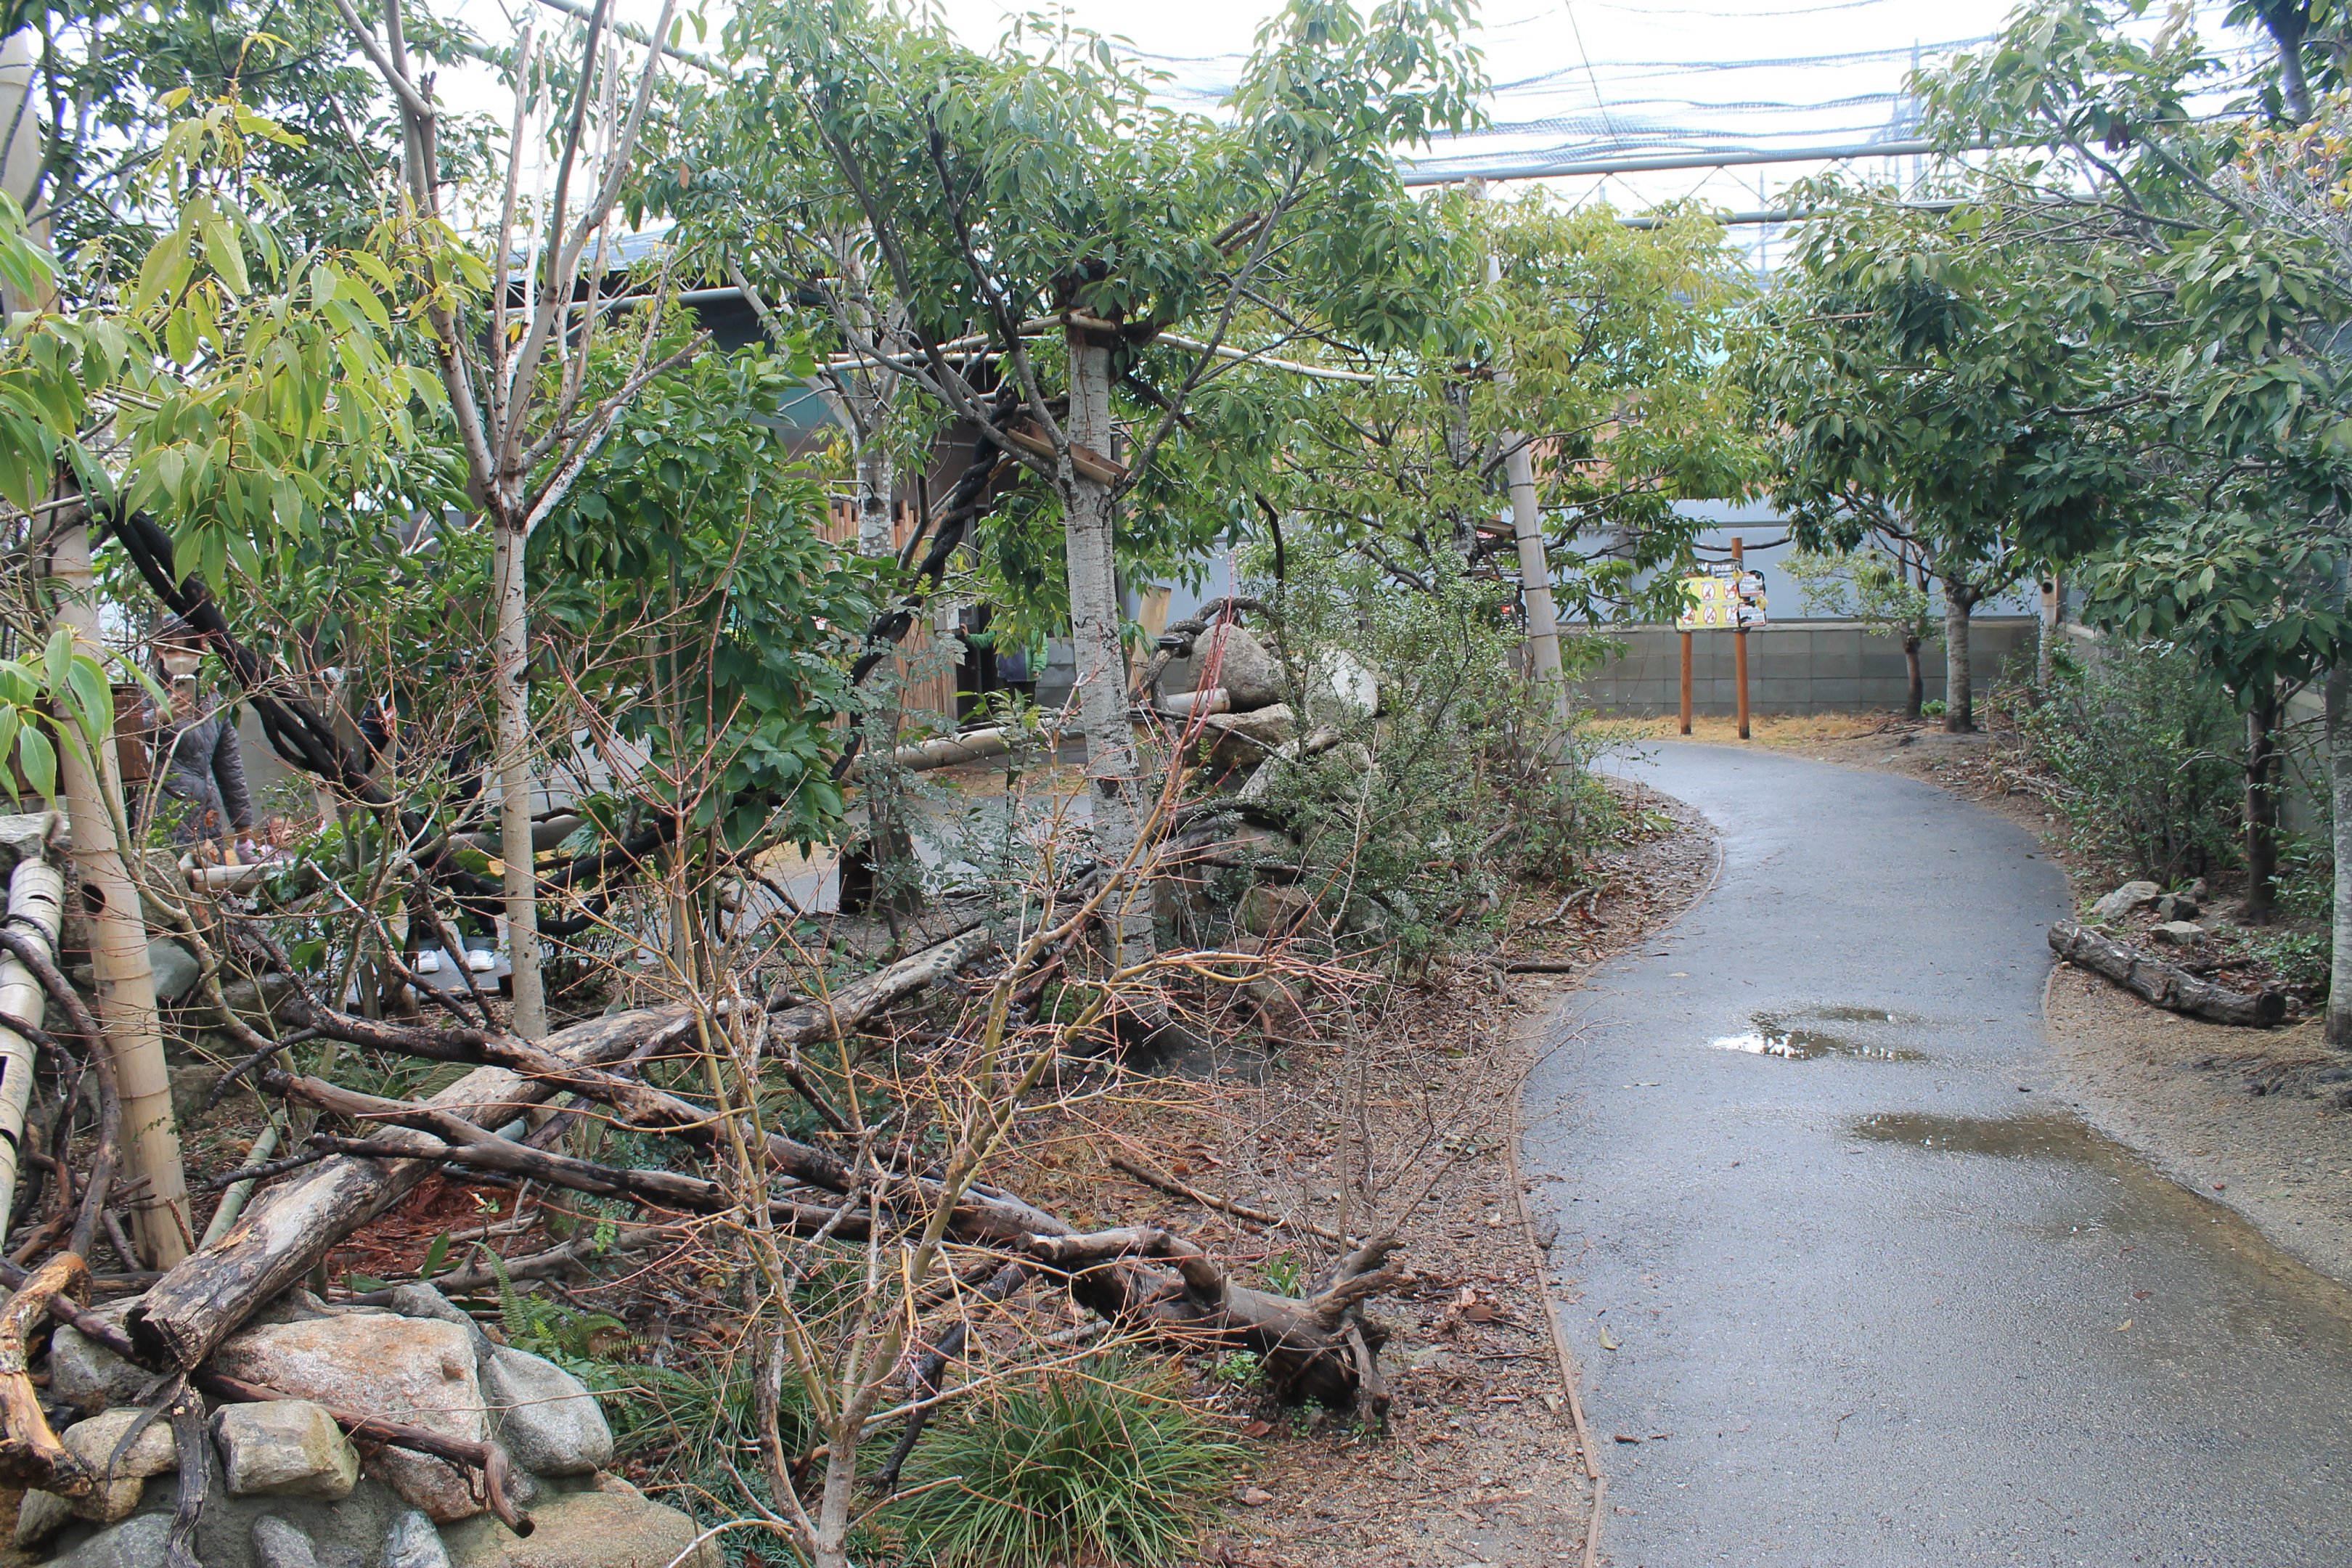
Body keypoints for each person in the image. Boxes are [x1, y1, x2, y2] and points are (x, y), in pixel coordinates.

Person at [145, 620, 258, 854]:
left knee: (209, 880)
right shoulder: (144, 694)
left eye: (188, 650)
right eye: (172, 650)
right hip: (162, 809)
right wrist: (158, 717)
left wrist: (243, 824)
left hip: (207, 811)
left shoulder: (214, 699)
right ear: (159, 651)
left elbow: (229, 764)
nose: (181, 658)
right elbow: (122, 739)